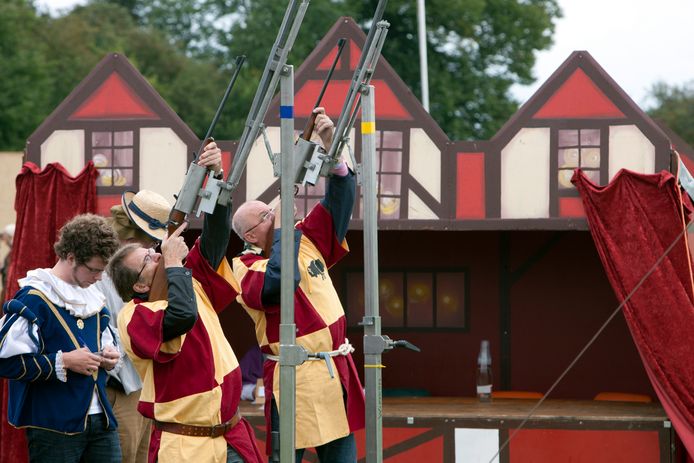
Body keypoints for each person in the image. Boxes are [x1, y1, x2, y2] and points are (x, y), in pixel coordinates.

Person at [108, 142, 263, 463]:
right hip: (184, 447)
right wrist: (175, 265)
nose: (157, 252)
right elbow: (181, 315)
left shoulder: (184, 277)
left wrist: (217, 178)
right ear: (138, 283)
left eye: (154, 248)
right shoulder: (133, 316)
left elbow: (215, 240)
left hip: (230, 436)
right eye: (149, 256)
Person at [231, 108, 365, 462]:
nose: (274, 215)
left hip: (330, 370)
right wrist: (283, 231)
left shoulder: (299, 237)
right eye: (265, 216)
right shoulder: (244, 266)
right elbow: (279, 282)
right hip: (292, 376)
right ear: (248, 235)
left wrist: (331, 150)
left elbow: (339, 204)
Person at [0, 214, 122, 462]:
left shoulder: (94, 300)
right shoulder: (34, 298)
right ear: (71, 257)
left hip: (101, 421)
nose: (99, 277)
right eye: (94, 270)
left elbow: (108, 340)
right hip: (53, 426)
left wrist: (110, 356)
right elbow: (6, 363)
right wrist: (63, 361)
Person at [93, 191, 171, 463]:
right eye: (151, 241)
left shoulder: (139, 265)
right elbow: (107, 328)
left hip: (142, 383)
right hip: (119, 386)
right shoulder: (102, 269)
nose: (154, 250)